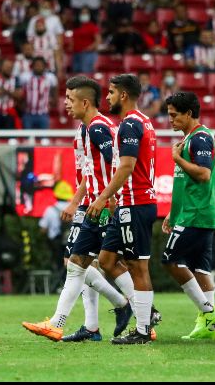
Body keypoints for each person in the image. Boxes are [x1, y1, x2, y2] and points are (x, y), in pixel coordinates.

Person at [22, 76, 135, 343]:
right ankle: (90, 324)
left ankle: (140, 315)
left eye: (70, 99)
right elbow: (92, 171)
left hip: (101, 205)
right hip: (92, 203)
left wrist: (108, 198)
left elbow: (117, 165)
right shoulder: (87, 128)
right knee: (81, 263)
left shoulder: (97, 128)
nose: (65, 104)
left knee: (104, 263)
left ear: (85, 102)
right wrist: (76, 201)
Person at [87, 74, 159, 345]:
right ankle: (142, 312)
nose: (107, 98)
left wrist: (103, 197)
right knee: (106, 260)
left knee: (137, 267)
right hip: (129, 203)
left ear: (124, 95)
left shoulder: (130, 124)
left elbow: (127, 167)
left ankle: (143, 328)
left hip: (136, 203)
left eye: (111, 92)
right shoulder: (144, 122)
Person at [162, 91, 215, 340]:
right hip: (192, 212)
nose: (170, 120)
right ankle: (210, 331)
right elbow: (184, 183)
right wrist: (172, 213)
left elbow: (204, 174)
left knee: (170, 261)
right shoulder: (189, 139)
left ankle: (208, 312)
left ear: (188, 113)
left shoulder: (199, 138)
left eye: (174, 115)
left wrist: (177, 159)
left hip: (196, 214)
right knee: (200, 268)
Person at [40, 181, 73, 277]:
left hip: (56, 244)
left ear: (56, 195)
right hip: (71, 242)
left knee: (59, 264)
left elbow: (43, 229)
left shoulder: (50, 210)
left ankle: (59, 285)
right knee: (72, 265)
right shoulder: (74, 209)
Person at [22, 56, 57, 130]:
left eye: (41, 65)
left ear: (44, 67)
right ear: (33, 66)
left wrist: (53, 101)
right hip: (28, 113)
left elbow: (55, 91)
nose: (39, 67)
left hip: (43, 113)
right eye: (37, 65)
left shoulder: (50, 78)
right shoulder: (25, 77)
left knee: (44, 139)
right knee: (27, 139)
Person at [71, 7, 100, 73]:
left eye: (86, 13)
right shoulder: (76, 26)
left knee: (86, 75)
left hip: (87, 54)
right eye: (82, 13)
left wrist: (90, 48)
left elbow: (98, 40)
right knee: (75, 75)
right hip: (76, 53)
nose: (84, 14)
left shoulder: (92, 26)